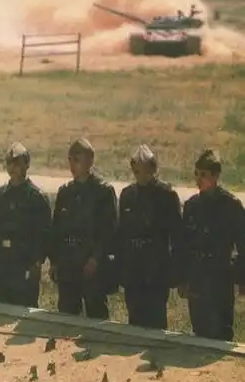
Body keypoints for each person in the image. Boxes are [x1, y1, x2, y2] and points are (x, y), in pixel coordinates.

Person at [176, 149, 245, 341]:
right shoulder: (191, 206)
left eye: (203, 175)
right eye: (196, 174)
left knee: (221, 331)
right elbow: (183, 244)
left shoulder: (231, 206)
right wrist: (181, 278)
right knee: (199, 330)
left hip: (220, 278)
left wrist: (242, 280)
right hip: (197, 276)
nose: (198, 179)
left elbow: (242, 244)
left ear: (215, 176)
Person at [114, 145, 183, 330]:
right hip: (133, 267)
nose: (140, 175)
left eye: (144, 170)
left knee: (156, 318)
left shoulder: (166, 195)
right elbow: (121, 234)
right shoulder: (128, 195)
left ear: (153, 169)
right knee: (134, 317)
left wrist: (176, 271)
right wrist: (120, 268)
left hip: (156, 267)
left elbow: (177, 235)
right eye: (136, 171)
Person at [48, 139, 118, 320]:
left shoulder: (102, 191)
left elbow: (108, 230)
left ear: (90, 161)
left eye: (77, 160)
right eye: (70, 159)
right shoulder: (65, 192)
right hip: (68, 262)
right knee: (67, 315)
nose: (72, 165)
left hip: (90, 263)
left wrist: (96, 258)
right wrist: (54, 260)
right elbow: (56, 228)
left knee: (96, 313)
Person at [0, 143, 52, 308]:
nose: (13, 167)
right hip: (2, 265)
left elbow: (44, 234)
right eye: (9, 163)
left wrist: (37, 262)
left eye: (17, 163)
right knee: (1, 310)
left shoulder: (36, 197)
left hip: (24, 264)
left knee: (24, 311)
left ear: (27, 164)